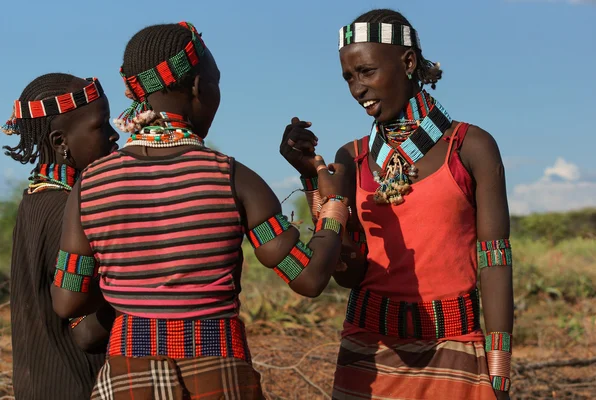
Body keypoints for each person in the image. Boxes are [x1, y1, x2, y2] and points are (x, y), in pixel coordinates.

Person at [50, 22, 348, 400]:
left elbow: (67, 300)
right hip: (220, 375)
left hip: (128, 378)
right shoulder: (233, 178)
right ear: (197, 88)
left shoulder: (91, 185)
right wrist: (333, 203)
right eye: (216, 82)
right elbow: (307, 276)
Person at [280, 8, 514, 400]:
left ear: (407, 62)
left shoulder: (470, 147)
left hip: (455, 349)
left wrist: (499, 371)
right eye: (349, 78)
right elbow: (344, 274)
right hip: (368, 354)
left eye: (367, 72)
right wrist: (312, 178)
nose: (357, 89)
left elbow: (495, 260)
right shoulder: (351, 158)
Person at [2, 73, 119, 399]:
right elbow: (85, 332)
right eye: (101, 125)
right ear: (59, 142)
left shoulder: (35, 201)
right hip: (75, 387)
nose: (114, 135)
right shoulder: (67, 211)